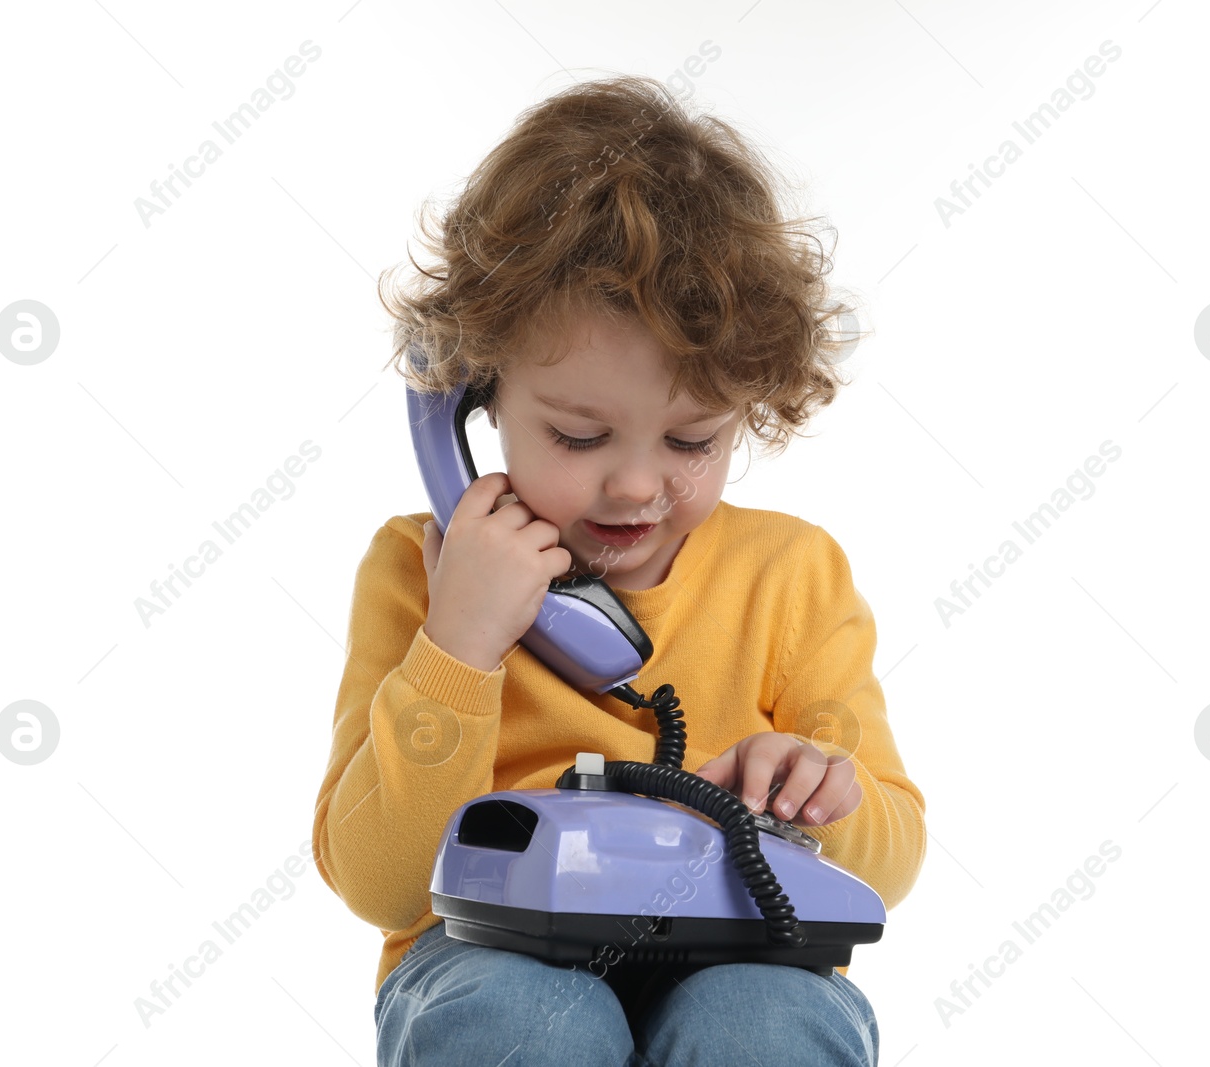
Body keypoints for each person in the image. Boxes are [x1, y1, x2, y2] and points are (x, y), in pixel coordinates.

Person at [310, 73, 926, 1067]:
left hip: (741, 945)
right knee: (528, 1023)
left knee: (766, 1025)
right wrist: (460, 642)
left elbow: (892, 860)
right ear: (472, 396)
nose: (637, 486)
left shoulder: (794, 574)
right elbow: (379, 882)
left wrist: (820, 797)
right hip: (486, 949)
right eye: (579, 433)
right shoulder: (420, 570)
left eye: (692, 439)